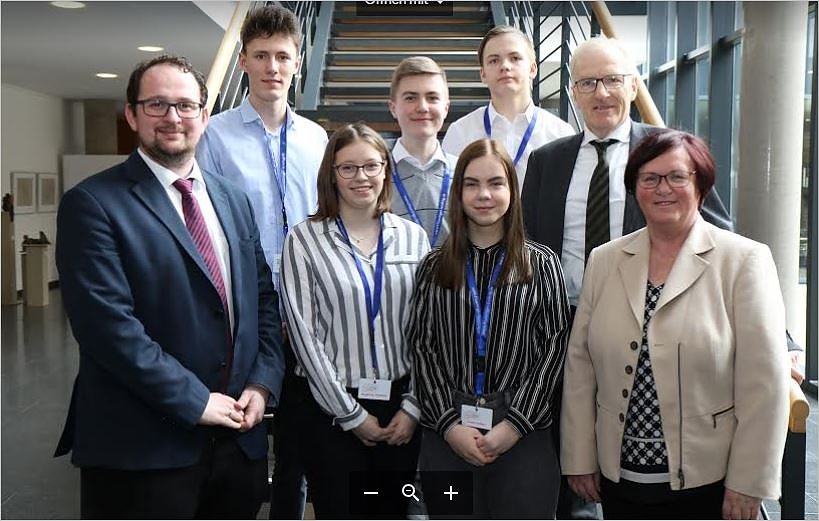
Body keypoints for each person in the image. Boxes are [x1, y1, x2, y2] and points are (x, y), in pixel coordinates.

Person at [54, 55, 283, 519]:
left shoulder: (233, 198)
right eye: (156, 104)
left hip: (237, 443)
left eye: (185, 105)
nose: (173, 117)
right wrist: (196, 401)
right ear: (132, 115)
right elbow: (107, 329)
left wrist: (262, 383)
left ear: (204, 115)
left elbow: (263, 300)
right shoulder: (92, 203)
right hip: (143, 450)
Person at [521, 38, 732, 518]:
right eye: (588, 82)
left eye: (612, 80)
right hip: (559, 326)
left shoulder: (667, 151)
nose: (601, 93)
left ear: (633, 85)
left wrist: (781, 339)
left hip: (647, 327)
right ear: (572, 91)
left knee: (633, 452)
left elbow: (724, 239)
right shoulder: (547, 160)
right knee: (567, 447)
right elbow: (528, 245)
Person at [561, 129, 790, 520]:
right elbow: (580, 367)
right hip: (620, 477)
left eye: (677, 176)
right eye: (649, 178)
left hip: (710, 481)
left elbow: (764, 384)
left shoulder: (743, 261)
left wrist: (749, 481)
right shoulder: (605, 260)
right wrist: (579, 457)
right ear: (634, 189)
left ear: (701, 185)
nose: (663, 188)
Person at [196, 6, 328, 518]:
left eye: (283, 56)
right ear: (244, 62)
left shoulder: (316, 138)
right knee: (241, 423)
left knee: (299, 434)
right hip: (245, 303)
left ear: (298, 62)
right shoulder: (215, 135)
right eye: (261, 55)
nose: (273, 67)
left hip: (309, 303)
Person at [407, 139, 571, 519]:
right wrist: (449, 426)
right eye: (472, 184)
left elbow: (554, 348)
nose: (484, 195)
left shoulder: (542, 264)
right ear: (458, 192)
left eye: (496, 183)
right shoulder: (433, 267)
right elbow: (422, 348)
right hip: (448, 433)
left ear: (512, 190)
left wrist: (513, 425)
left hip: (523, 434)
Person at [280, 122, 430, 519]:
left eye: (371, 165)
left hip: (401, 409)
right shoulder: (304, 239)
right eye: (347, 168)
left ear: (385, 170)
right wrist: (351, 415)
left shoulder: (414, 238)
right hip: (331, 410)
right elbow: (304, 336)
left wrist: (413, 407)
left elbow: (427, 331)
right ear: (331, 175)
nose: (361, 176)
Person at [442, 25, 574, 189]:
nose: (505, 66)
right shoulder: (460, 132)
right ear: (483, 74)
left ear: (533, 69)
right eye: (494, 60)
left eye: (515, 58)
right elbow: (451, 194)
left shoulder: (561, 134)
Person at [388, 56, 458, 247]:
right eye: (410, 98)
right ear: (393, 108)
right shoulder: (374, 174)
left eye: (432, 98)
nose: (422, 107)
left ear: (446, 108)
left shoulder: (465, 172)